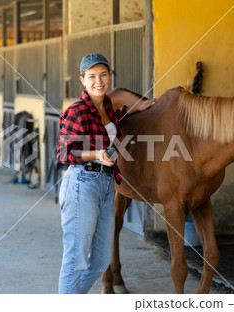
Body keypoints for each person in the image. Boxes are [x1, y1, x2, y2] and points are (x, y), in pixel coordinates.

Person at [56, 53, 155, 294]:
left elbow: (114, 124)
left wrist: (139, 106)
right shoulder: (77, 111)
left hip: (107, 184)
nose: (98, 81)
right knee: (75, 260)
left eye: (103, 75)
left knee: (100, 261)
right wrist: (95, 154)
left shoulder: (108, 107)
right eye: (92, 76)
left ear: (109, 76)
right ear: (82, 80)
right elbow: (62, 152)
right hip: (82, 183)